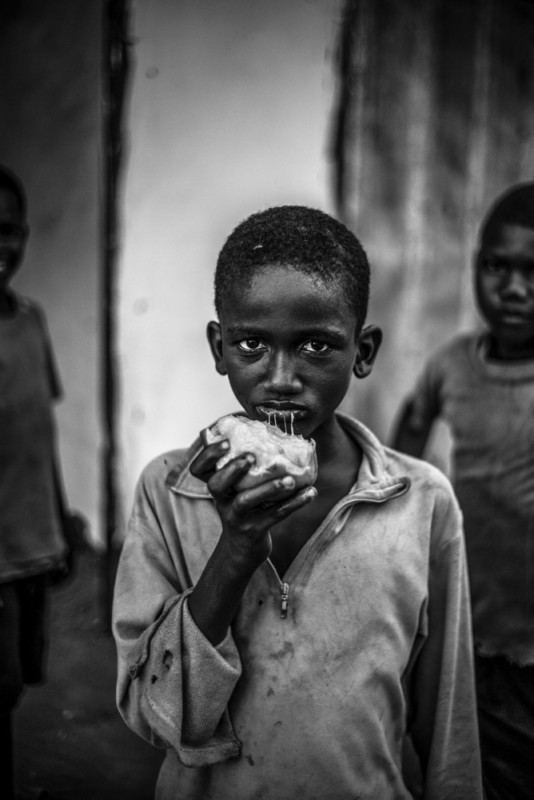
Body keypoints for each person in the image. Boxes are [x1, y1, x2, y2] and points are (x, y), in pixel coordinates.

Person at [113, 205, 483, 800]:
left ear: (362, 353)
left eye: (316, 346)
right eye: (252, 344)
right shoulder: (170, 492)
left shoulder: (422, 506)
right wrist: (235, 547)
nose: (281, 378)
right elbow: (155, 715)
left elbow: (448, 729)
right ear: (218, 346)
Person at [391, 182, 534, 800]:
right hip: (474, 623)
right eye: (497, 266)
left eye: (533, 272)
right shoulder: (451, 364)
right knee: (482, 768)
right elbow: (409, 434)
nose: (514, 288)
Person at [0, 165, 75, 800]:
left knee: (18, 682)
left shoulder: (30, 320)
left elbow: (39, 436)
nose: (1, 247)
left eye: (9, 230)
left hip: (31, 545)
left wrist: (61, 523)